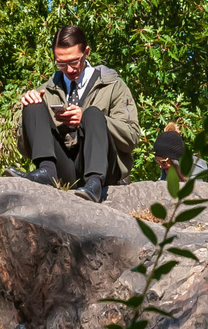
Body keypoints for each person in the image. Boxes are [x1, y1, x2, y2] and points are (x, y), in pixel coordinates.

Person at [8, 24, 140, 202]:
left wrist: (87, 119)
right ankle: (46, 172)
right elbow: (25, 149)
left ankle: (94, 184)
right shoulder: (47, 90)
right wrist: (28, 111)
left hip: (105, 170)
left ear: (86, 52)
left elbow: (131, 137)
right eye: (61, 63)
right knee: (33, 104)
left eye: (74, 61)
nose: (69, 69)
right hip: (65, 170)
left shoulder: (113, 85)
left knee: (92, 114)